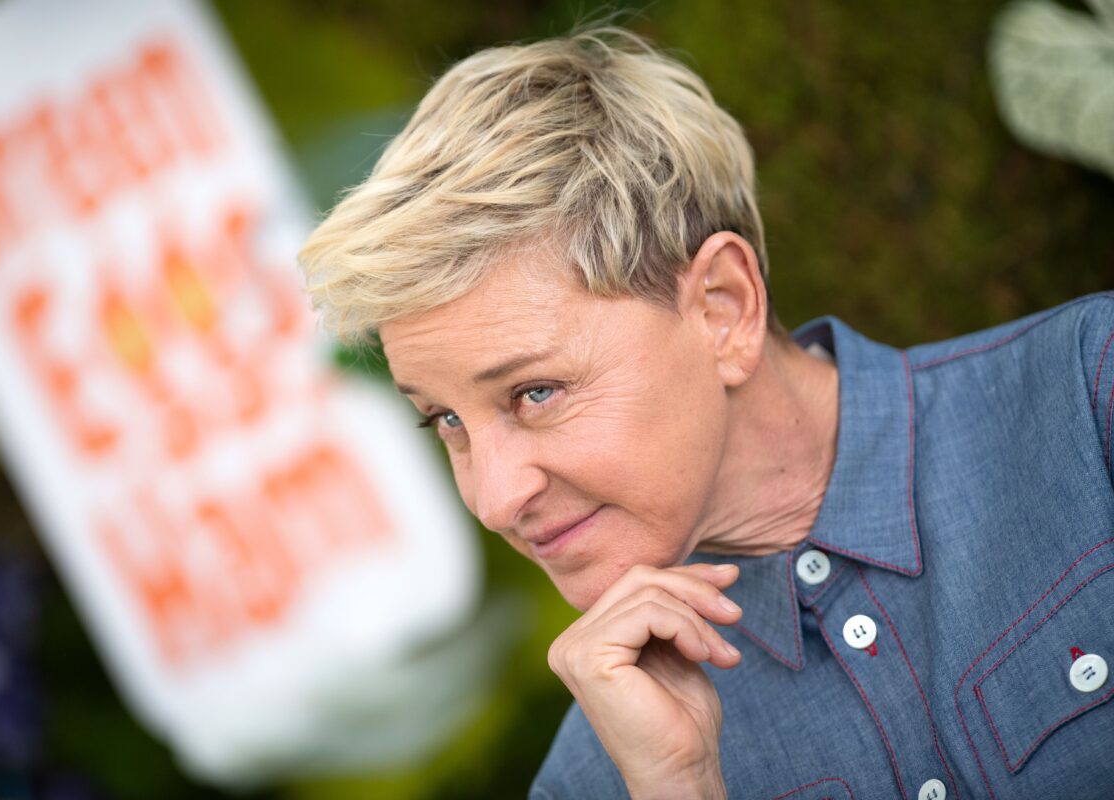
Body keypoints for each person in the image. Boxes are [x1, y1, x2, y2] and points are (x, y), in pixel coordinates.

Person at [299, 26, 1114, 799]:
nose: (494, 497)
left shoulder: (1092, 398)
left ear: (723, 310)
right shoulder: (602, 776)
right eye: (444, 420)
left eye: (534, 393)